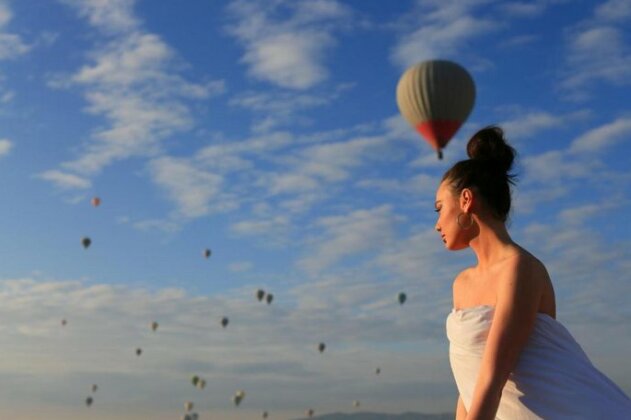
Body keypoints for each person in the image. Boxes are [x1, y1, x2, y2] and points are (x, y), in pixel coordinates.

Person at [435, 126, 631, 419]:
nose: (437, 224)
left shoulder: (520, 268)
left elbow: (493, 378)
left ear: (466, 200)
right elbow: (470, 384)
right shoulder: (461, 284)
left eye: (440, 208)